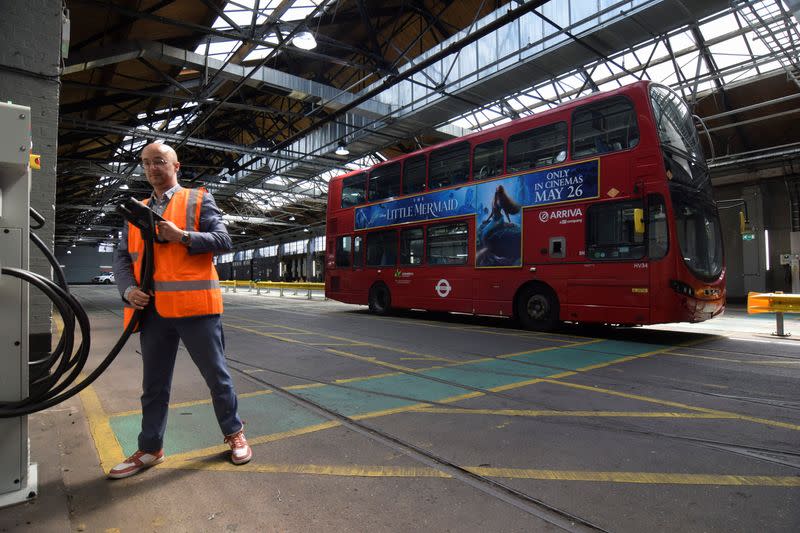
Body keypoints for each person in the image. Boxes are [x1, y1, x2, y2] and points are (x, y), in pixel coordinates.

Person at [109, 142, 251, 479]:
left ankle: (234, 434)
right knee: (154, 384)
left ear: (176, 166)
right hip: (154, 313)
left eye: (159, 161)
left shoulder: (198, 199)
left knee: (217, 377)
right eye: (145, 163)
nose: (152, 168)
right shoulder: (137, 209)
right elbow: (121, 256)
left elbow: (223, 240)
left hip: (195, 308)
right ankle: (150, 447)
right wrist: (128, 290)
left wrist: (182, 236)